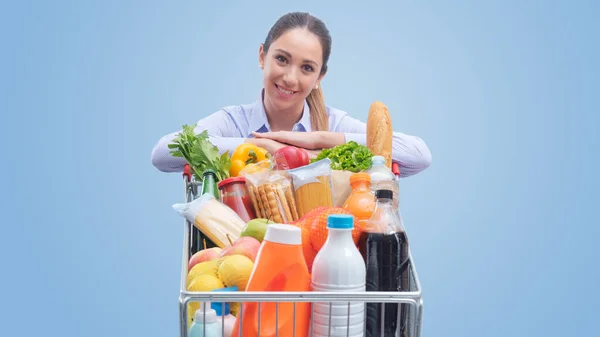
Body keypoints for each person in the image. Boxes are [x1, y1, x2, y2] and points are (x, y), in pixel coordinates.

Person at [151, 12, 431, 177]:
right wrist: (264, 148)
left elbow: (419, 155)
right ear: (263, 56)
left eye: (307, 67)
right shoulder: (232, 121)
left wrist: (317, 141)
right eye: (282, 59)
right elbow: (163, 154)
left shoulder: (332, 123)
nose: (290, 78)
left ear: (320, 77)